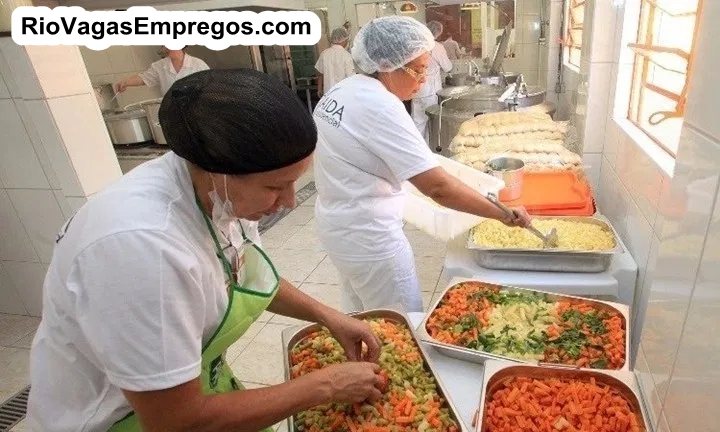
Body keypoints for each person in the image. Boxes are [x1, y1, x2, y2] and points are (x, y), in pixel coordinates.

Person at [27, 69, 385, 432]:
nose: (290, 202)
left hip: (194, 386)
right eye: (276, 187)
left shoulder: (218, 192)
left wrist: (325, 315)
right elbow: (176, 421)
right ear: (219, 172)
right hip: (121, 420)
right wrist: (323, 386)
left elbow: (244, 272)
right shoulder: (143, 250)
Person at [312, 16, 532, 314]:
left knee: (361, 317)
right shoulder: (381, 105)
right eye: (417, 69)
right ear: (387, 65)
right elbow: (438, 188)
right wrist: (501, 214)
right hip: (371, 239)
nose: (423, 78)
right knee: (401, 325)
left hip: (337, 228)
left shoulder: (342, 90)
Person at [411, 21, 453, 142]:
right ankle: (430, 152)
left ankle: (417, 149)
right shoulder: (437, 47)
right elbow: (447, 67)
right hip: (431, 92)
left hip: (416, 90)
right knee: (432, 123)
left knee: (418, 123)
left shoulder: (416, 46)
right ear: (438, 33)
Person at [114, 46, 209, 96]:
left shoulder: (198, 64)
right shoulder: (159, 66)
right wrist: (125, 83)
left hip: (197, 111)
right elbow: (143, 78)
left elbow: (211, 87)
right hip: (171, 113)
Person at [315, 27, 356, 97]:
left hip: (328, 95)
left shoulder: (324, 54)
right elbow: (351, 78)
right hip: (343, 94)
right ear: (343, 40)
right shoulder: (346, 55)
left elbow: (320, 74)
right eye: (347, 39)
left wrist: (319, 89)